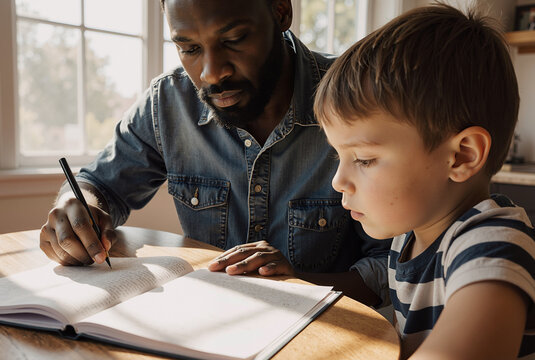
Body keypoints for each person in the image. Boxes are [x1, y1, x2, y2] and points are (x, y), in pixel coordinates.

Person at [39, 0, 390, 307]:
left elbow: (388, 268)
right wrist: (76, 205)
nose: (211, 73)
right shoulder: (169, 103)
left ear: (281, 12)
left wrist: (297, 282)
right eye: (189, 49)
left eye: (234, 40)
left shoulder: (357, 99)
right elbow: (98, 185)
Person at [314, 3, 535, 359]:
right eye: (339, 156)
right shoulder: (408, 238)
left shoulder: (492, 243)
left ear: (461, 156)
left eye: (364, 159)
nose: (339, 180)